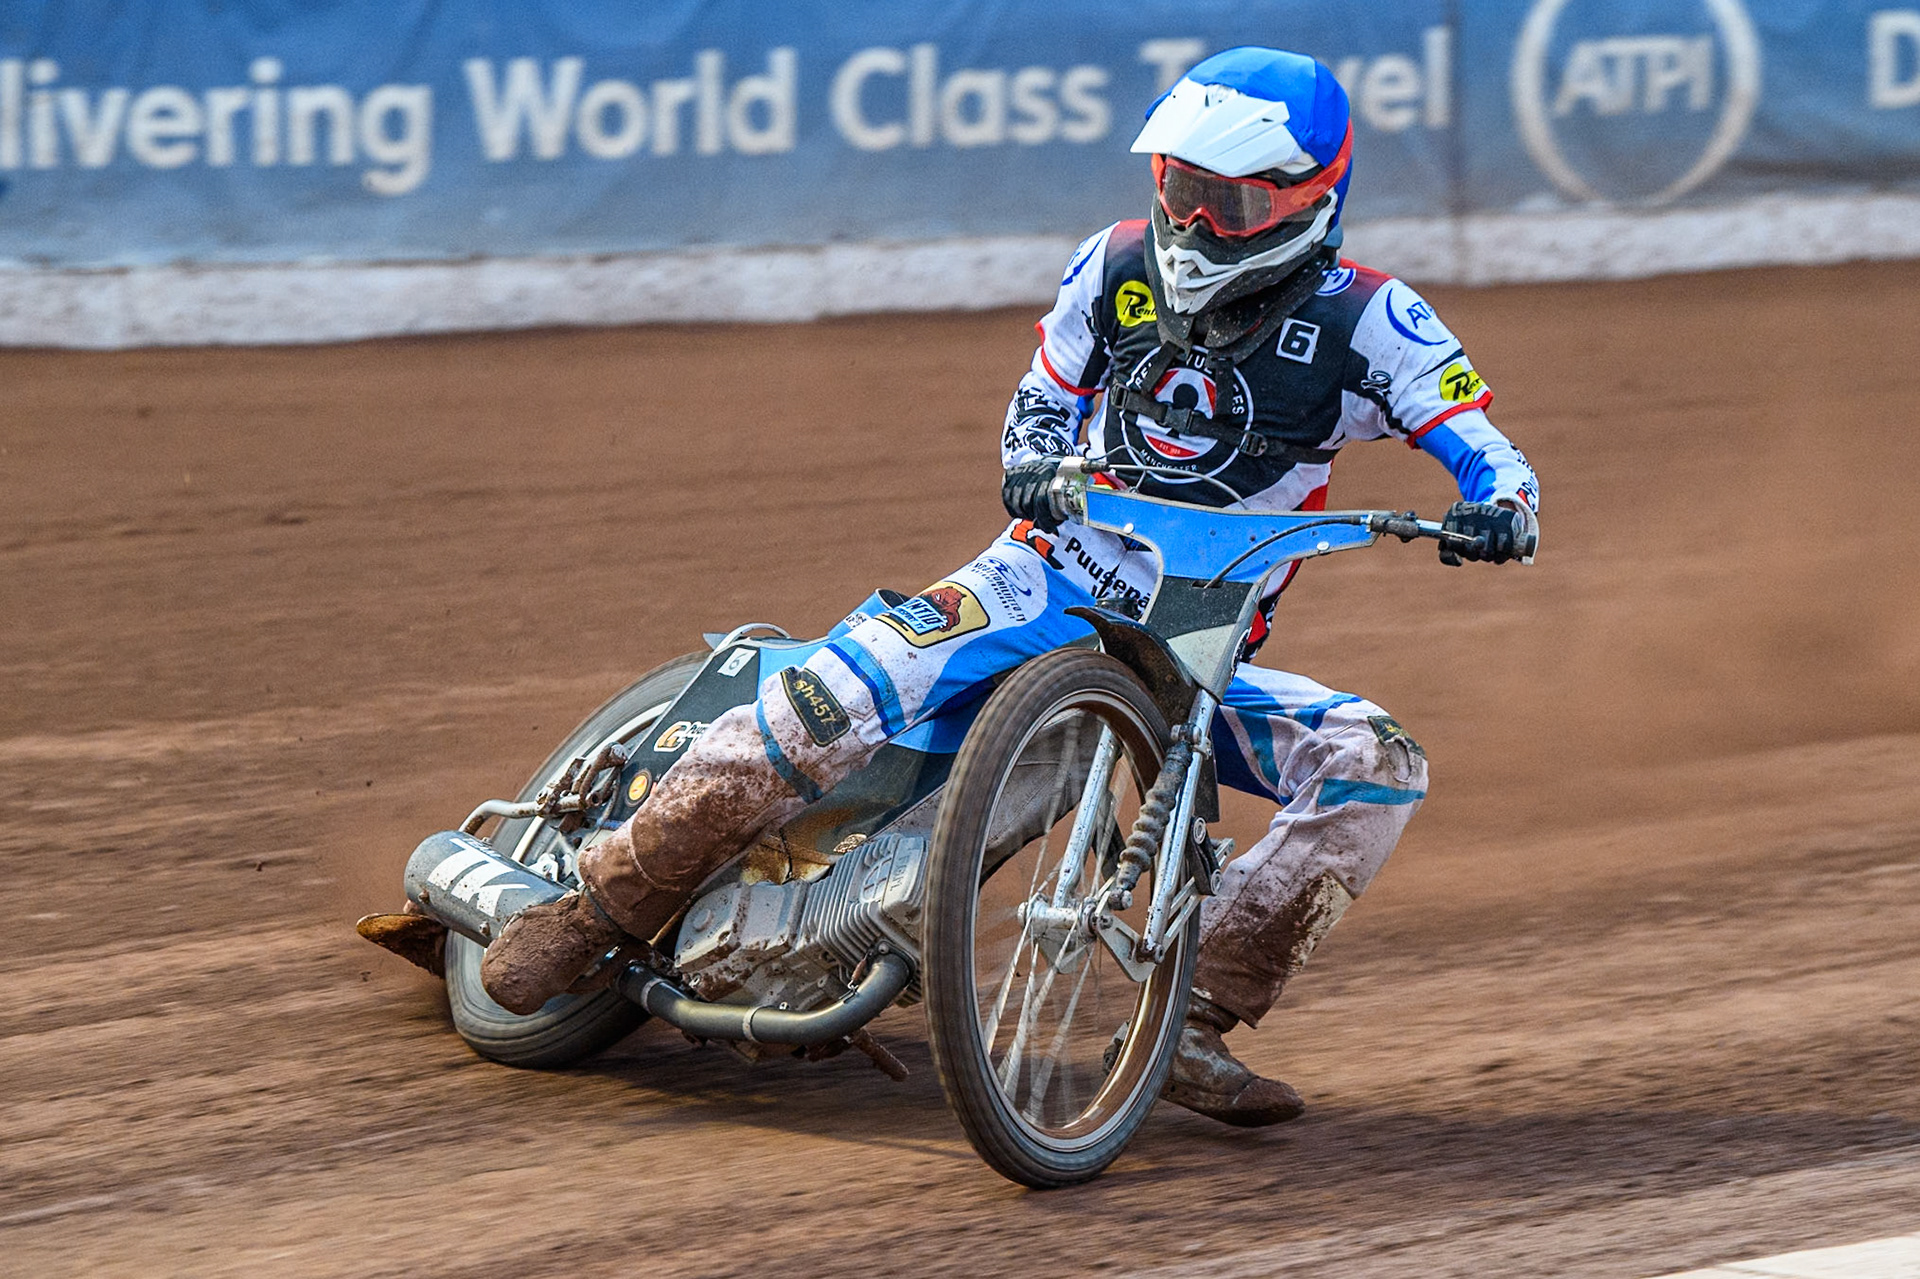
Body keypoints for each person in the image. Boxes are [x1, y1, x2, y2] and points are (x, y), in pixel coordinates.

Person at [479, 47, 1540, 1127]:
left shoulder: (1373, 320)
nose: (1198, 225)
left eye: (1230, 201)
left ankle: (1196, 1009)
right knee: (820, 708)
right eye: (1182, 191)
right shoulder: (1114, 264)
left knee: (1374, 761)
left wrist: (1499, 502)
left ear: (1311, 200)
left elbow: (1484, 445)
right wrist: (1036, 452)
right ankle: (599, 910)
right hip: (1037, 579)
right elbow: (1042, 398)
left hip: (1196, 650)